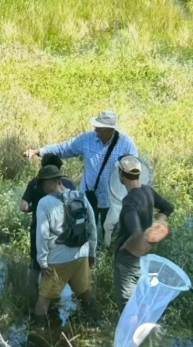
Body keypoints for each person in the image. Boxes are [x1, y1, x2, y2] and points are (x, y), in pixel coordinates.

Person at [25, 111, 138, 239]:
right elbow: (64, 148)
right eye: (96, 127)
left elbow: (134, 170)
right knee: (85, 233)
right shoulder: (87, 139)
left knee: (111, 234)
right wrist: (39, 151)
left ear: (110, 129)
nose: (95, 130)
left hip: (112, 200)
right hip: (88, 196)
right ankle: (89, 256)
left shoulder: (126, 144)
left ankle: (108, 254)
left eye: (99, 128)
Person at [34, 165, 97, 324]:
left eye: (42, 183)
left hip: (58, 258)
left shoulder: (44, 203)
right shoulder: (80, 196)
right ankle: (97, 320)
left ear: (49, 182)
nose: (41, 187)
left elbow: (42, 235)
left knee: (44, 298)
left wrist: (42, 261)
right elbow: (92, 226)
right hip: (81, 253)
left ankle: (37, 333)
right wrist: (91, 253)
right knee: (85, 292)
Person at [114, 155, 174, 313]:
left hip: (129, 258)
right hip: (145, 257)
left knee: (128, 305)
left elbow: (136, 234)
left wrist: (123, 250)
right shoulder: (147, 190)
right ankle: (146, 334)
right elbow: (168, 207)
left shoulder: (129, 201)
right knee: (142, 299)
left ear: (121, 173)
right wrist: (158, 223)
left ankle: (131, 336)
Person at [20, 154, 76, 272]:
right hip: (66, 232)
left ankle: (37, 286)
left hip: (38, 231)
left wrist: (33, 208)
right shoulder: (68, 184)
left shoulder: (35, 183)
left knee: (39, 267)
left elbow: (23, 206)